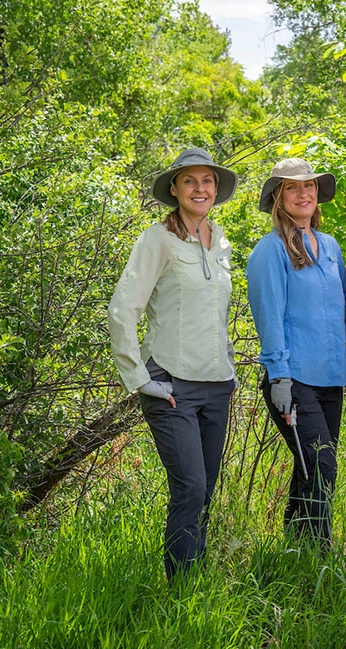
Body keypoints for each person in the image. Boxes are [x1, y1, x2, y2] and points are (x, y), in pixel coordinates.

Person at [108, 147, 238, 580]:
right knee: (191, 487)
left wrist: (232, 373)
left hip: (218, 385)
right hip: (171, 383)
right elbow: (123, 308)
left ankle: (195, 584)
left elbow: (215, 316)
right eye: (190, 181)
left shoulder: (221, 241)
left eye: (207, 181)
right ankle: (179, 590)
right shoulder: (157, 239)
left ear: (216, 190)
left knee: (206, 493)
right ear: (175, 189)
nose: (200, 189)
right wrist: (140, 377)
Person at [246, 158, 346, 547]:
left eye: (309, 186)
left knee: (310, 468)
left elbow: (343, 298)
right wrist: (279, 376)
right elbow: (269, 316)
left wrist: (344, 345)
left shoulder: (329, 245)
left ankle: (296, 549)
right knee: (322, 465)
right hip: (292, 380)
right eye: (293, 187)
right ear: (279, 197)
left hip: (331, 375)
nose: (304, 193)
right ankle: (321, 553)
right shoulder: (269, 251)